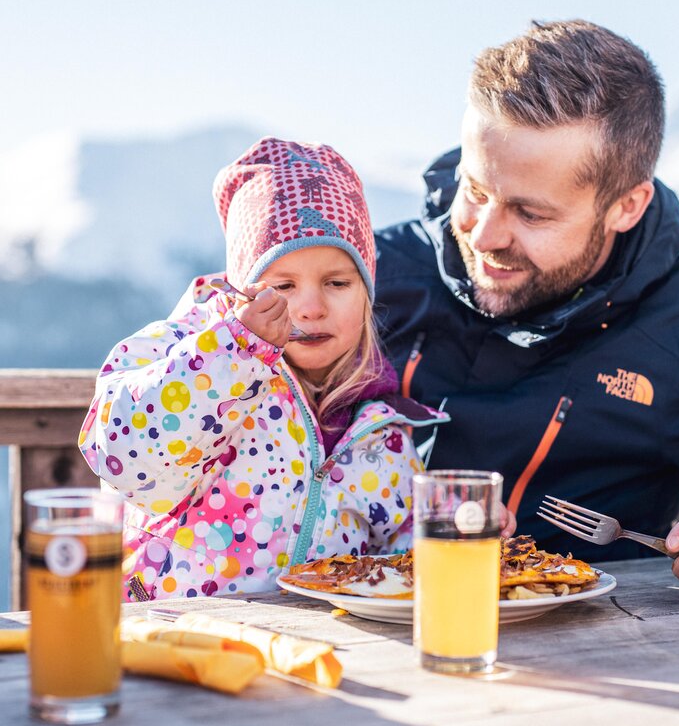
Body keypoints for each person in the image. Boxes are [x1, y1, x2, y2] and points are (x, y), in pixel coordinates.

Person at [375, 19, 679, 602]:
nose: (482, 234)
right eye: (475, 190)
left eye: (531, 215)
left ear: (626, 206)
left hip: (579, 669)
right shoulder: (369, 272)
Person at [79, 137, 452, 601]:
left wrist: (456, 533)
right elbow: (123, 457)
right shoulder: (188, 351)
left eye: (337, 282)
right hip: (171, 637)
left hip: (313, 653)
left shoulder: (380, 430)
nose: (311, 307)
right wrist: (234, 354)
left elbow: (400, 561)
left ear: (367, 294)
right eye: (284, 285)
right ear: (243, 291)